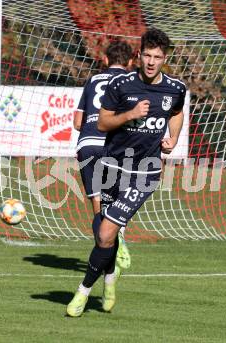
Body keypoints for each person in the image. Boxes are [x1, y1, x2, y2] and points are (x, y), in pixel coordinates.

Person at [67, 27, 186, 317]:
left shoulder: (175, 88)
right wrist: (129, 115)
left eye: (157, 57)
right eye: (147, 55)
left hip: (145, 172)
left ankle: (82, 293)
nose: (151, 62)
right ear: (139, 55)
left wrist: (173, 138)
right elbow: (103, 123)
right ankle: (110, 279)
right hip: (111, 166)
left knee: (107, 231)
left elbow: (178, 113)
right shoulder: (120, 85)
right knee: (102, 235)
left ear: (164, 58)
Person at [73, 41, 133, 270]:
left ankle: (104, 256)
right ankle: (118, 241)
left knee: (98, 206)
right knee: (118, 202)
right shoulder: (129, 82)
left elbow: (78, 122)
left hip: (87, 145)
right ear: (130, 62)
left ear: (105, 60)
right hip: (113, 146)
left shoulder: (92, 80)